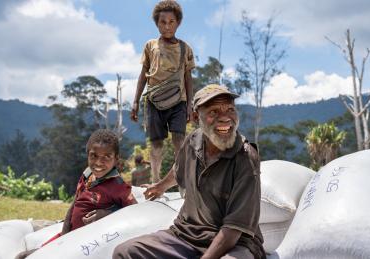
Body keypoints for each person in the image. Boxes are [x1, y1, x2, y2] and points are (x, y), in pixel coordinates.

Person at [114, 84, 266, 259]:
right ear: (195, 117)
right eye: (214, 112)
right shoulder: (193, 141)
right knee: (125, 252)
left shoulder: (246, 157)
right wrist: (161, 186)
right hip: (186, 235)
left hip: (235, 244)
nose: (225, 118)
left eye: (230, 110)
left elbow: (232, 231)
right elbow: (179, 168)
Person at [16, 129, 137, 259]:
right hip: (68, 237)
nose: (98, 163)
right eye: (93, 155)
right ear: (87, 154)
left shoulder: (118, 186)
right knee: (23, 256)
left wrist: (107, 213)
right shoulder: (87, 175)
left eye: (106, 157)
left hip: (86, 247)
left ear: (116, 159)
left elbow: (135, 211)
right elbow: (74, 205)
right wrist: (62, 238)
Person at [130, 0, 195, 183]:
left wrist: (190, 104)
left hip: (179, 101)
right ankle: (156, 180)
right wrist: (135, 101)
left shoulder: (185, 48)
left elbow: (188, 78)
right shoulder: (150, 46)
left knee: (179, 141)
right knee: (156, 142)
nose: (167, 26)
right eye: (162, 22)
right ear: (156, 23)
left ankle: (182, 181)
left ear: (178, 23)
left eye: (171, 22)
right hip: (154, 101)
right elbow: (143, 74)